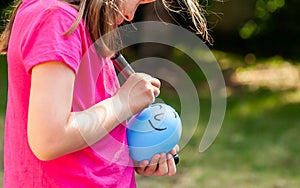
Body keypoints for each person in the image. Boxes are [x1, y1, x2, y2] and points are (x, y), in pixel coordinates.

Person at [0, 0, 210, 187]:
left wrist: (133, 150)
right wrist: (123, 103)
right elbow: (50, 139)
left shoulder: (82, 26)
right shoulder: (56, 18)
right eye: (136, 3)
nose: (130, 17)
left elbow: (87, 126)